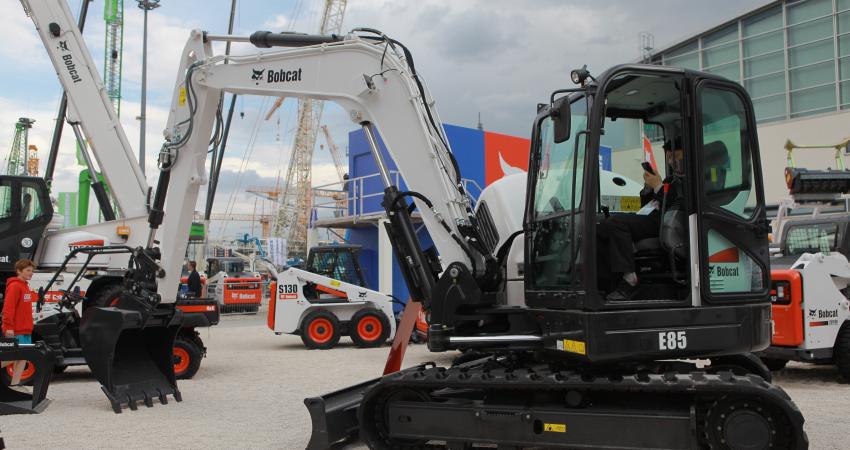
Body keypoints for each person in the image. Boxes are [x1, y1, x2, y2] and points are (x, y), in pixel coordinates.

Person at [597, 138, 684, 300]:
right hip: (648, 214)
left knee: (616, 223)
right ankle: (606, 281)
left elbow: (676, 204)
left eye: (676, 156)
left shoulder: (688, 179)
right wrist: (649, 188)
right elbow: (647, 202)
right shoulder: (670, 179)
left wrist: (658, 186)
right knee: (601, 226)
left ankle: (629, 278)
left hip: (665, 221)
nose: (672, 161)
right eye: (669, 157)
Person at [1, 259, 36, 385]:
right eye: (28, 271)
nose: (31, 273)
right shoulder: (15, 286)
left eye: (32, 271)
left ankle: (15, 385)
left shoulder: (25, 286)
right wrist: (8, 327)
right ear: (19, 271)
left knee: (23, 357)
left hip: (25, 329)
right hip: (15, 329)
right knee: (13, 357)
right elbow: (8, 308)